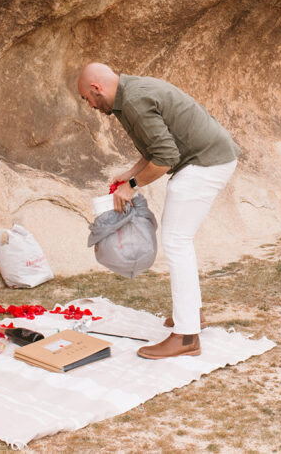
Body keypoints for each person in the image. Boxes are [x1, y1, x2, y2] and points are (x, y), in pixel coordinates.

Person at [75, 62, 239, 359]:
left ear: (97, 89)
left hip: (205, 162)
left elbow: (165, 158)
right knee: (179, 240)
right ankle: (192, 316)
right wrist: (129, 175)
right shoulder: (127, 98)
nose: (90, 105)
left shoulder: (134, 101)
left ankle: (187, 337)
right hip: (205, 159)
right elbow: (155, 150)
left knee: (176, 241)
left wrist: (133, 185)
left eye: (87, 98)